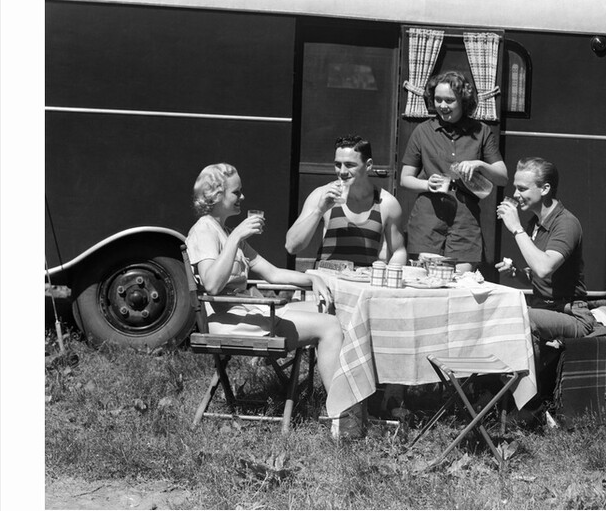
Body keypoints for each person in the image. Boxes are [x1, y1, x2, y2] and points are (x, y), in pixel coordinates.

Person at [186, 162, 363, 439]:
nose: (242, 197)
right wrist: (236, 237)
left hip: (245, 313)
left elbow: (272, 273)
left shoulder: (224, 230)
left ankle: (351, 403)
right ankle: (342, 419)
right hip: (230, 322)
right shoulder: (205, 230)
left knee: (331, 308)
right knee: (329, 327)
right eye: (236, 192)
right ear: (217, 196)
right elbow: (211, 283)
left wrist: (313, 280)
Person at [399, 70, 508, 273]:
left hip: (465, 220)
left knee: (461, 281)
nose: (442, 106)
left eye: (449, 100)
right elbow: (405, 179)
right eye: (438, 99)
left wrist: (479, 164)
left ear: (464, 101)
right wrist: (426, 184)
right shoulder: (422, 131)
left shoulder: (481, 131)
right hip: (428, 219)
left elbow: (502, 177)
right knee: (426, 280)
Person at [495, 157, 596, 342]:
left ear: (545, 189)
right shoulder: (534, 223)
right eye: (515, 187)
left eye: (522, 189)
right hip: (543, 308)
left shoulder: (566, 223)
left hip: (572, 315)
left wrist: (516, 229)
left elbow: (543, 268)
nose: (515, 194)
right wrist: (518, 274)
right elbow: (541, 277)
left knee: (519, 318)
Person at [285, 135, 407, 267]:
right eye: (338, 165)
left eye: (349, 165)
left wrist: (389, 281)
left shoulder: (386, 203)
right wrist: (319, 211)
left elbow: (398, 252)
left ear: (368, 165)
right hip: (326, 284)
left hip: (363, 284)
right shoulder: (322, 195)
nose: (342, 171)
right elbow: (292, 247)